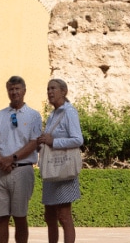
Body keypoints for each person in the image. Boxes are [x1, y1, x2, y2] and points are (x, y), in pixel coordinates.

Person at [0, 76, 42, 243]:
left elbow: (34, 142)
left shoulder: (34, 116)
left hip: (22, 170)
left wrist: (12, 158)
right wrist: (0, 160)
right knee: (1, 217)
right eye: (11, 89)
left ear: (24, 90)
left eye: (17, 88)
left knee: (20, 216)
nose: (14, 92)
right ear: (7, 91)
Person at [37, 78, 84, 243]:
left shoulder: (70, 112)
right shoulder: (52, 115)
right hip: (51, 171)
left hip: (64, 170)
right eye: (48, 89)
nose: (49, 92)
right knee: (49, 216)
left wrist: (53, 142)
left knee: (64, 216)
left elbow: (78, 140)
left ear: (64, 91)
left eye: (53, 89)